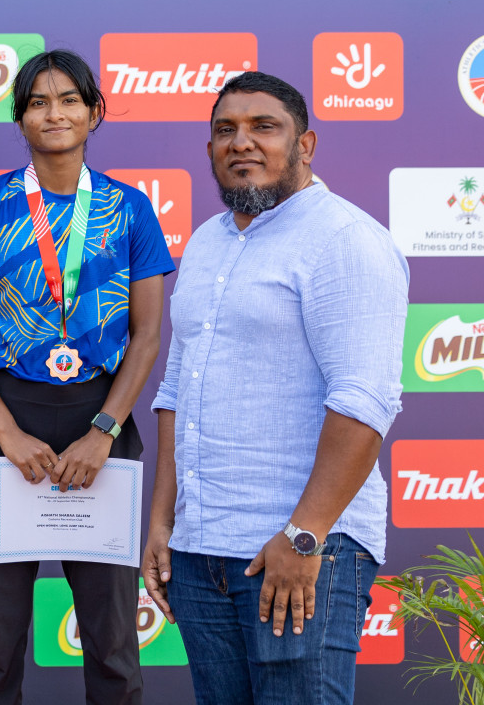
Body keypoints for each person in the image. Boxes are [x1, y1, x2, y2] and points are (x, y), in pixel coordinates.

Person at [141, 71, 406, 705]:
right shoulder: (206, 242)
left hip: (298, 551)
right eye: (225, 130)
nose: (242, 143)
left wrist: (304, 535)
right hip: (201, 549)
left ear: (305, 144)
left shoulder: (346, 240)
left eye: (265, 127)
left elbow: (363, 403)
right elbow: (180, 386)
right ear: (208, 149)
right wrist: (162, 520)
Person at [0, 49, 174, 705]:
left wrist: (104, 429)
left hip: (102, 420)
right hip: (6, 421)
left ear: (95, 112)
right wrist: (8, 434)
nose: (54, 113)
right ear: (20, 121)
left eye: (69, 99)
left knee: (111, 641)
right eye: (37, 103)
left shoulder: (130, 209)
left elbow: (148, 335)